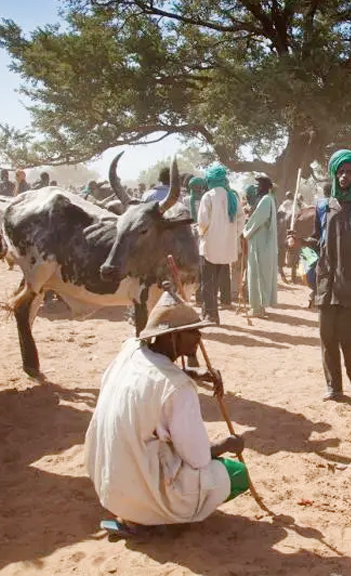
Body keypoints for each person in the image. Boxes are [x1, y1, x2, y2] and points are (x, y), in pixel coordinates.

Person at [84, 289, 249, 535]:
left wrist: (193, 372)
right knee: (237, 475)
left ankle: (135, 511)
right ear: (172, 337)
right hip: (142, 489)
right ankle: (153, 518)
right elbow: (199, 458)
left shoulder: (129, 351)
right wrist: (227, 445)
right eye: (192, 331)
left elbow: (153, 375)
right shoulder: (178, 388)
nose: (199, 336)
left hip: (108, 485)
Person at [288, 149, 351, 401]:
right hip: (326, 281)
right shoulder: (324, 207)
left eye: (348, 172)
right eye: (339, 172)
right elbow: (318, 241)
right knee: (327, 337)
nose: (343, 176)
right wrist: (300, 242)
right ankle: (333, 387)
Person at [195, 164, 242, 324]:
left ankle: (210, 315)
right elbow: (241, 220)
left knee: (208, 282)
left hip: (209, 246)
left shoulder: (208, 196)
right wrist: (233, 235)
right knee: (217, 280)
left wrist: (201, 234)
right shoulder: (233, 197)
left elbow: (202, 222)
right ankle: (211, 314)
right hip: (227, 247)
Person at [241, 175, 278, 318]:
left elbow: (257, 220)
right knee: (260, 274)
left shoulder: (266, 200)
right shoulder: (267, 200)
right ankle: (260, 307)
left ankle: (257, 309)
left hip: (260, 244)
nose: (256, 188)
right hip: (261, 243)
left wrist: (245, 231)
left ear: (265, 187)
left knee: (256, 274)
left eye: (259, 185)